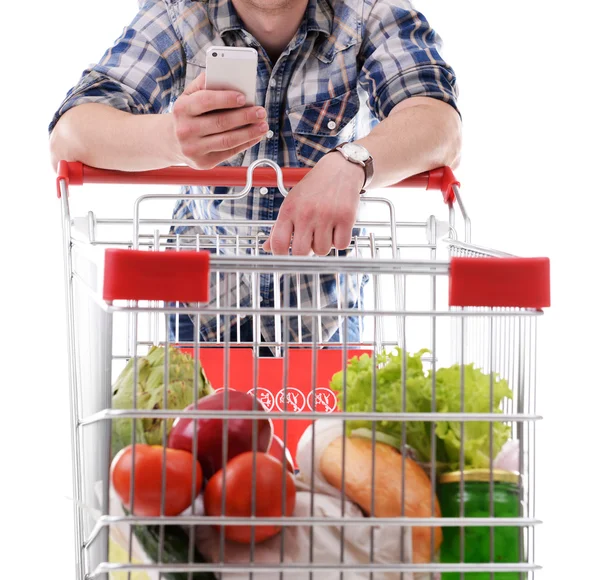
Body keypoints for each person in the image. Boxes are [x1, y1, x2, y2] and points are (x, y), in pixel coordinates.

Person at [49, 0, 461, 348]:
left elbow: (439, 125)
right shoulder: (181, 12)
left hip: (325, 309)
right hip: (205, 304)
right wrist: (171, 138)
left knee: (322, 444)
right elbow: (70, 135)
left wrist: (352, 162)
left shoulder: (367, 11)